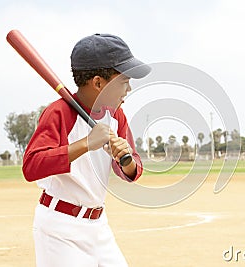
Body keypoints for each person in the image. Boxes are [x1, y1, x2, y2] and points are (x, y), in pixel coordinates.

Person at [22, 33, 150, 267]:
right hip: (60, 229)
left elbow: (133, 170)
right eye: (123, 81)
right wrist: (85, 144)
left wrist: (126, 160)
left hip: (99, 226)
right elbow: (31, 166)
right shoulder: (59, 112)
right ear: (98, 82)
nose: (128, 88)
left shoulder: (116, 115)